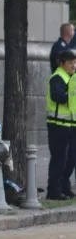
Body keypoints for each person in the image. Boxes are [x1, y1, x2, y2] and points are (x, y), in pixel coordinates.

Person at [46, 49, 76, 200]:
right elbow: (57, 96)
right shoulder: (57, 78)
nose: (73, 65)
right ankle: (53, 190)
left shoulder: (72, 78)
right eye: (70, 63)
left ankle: (64, 186)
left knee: (71, 159)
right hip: (58, 125)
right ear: (62, 63)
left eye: (75, 62)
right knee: (59, 159)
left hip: (71, 125)